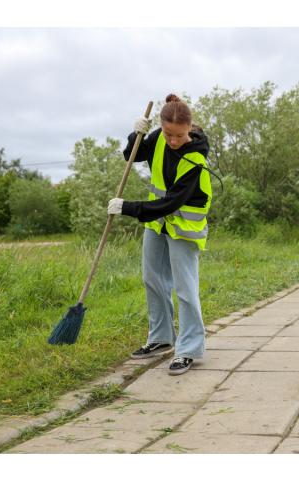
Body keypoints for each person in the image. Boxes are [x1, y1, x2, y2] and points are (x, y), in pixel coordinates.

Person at [107, 94, 212, 376]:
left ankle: (188, 349)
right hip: (157, 223)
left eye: (179, 135)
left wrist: (127, 208)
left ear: (189, 129)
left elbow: (171, 202)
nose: (173, 140)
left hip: (183, 227)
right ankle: (161, 338)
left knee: (185, 289)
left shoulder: (195, 157)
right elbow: (131, 155)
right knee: (152, 279)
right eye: (168, 134)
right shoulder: (159, 137)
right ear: (162, 128)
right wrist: (136, 135)